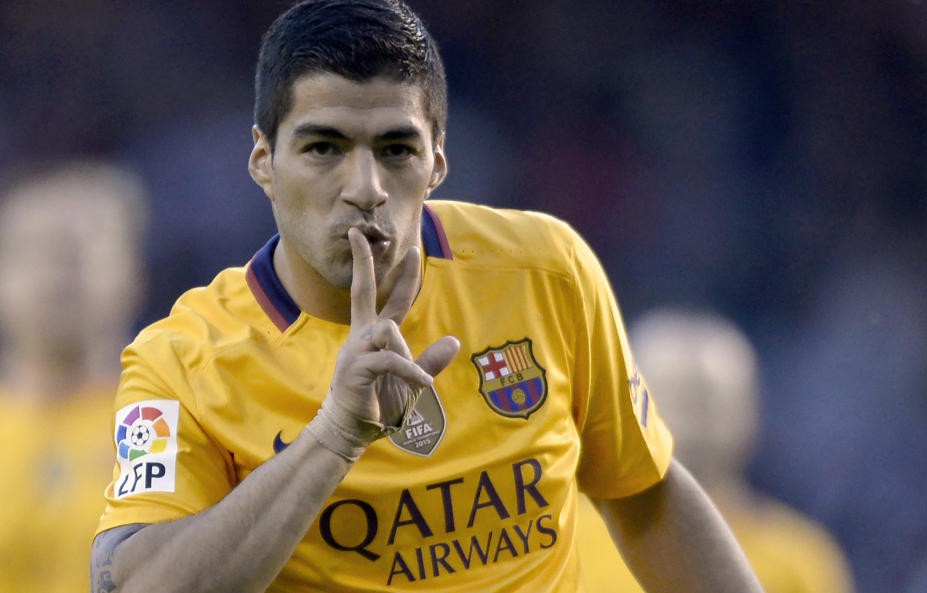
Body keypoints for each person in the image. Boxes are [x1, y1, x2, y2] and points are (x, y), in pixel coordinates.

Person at [90, 2, 763, 592]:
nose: (365, 186)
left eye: (395, 149)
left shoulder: (545, 273)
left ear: (438, 159)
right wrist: (332, 439)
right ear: (263, 160)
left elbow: (643, 490)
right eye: (324, 147)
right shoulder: (178, 362)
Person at [576, 308, 854, 593]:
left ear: (752, 413)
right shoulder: (557, 538)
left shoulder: (797, 561)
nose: (695, 424)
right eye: (675, 397)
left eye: (711, 403)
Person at [0, 161, 147, 593]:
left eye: (83, 249)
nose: (60, 273)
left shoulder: (178, 421)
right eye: (37, 251)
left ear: (135, 273)